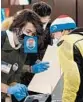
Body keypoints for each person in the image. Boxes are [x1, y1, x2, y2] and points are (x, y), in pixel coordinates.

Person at [1, 9, 50, 101]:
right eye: (28, 31)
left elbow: (13, 71)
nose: (30, 37)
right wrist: (8, 89)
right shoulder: (2, 40)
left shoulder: (23, 48)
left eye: (33, 34)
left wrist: (16, 86)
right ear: (17, 26)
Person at [50, 15, 83, 102]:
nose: (54, 37)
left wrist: (67, 100)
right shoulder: (80, 38)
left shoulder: (66, 43)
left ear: (63, 31)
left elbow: (72, 77)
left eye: (54, 33)